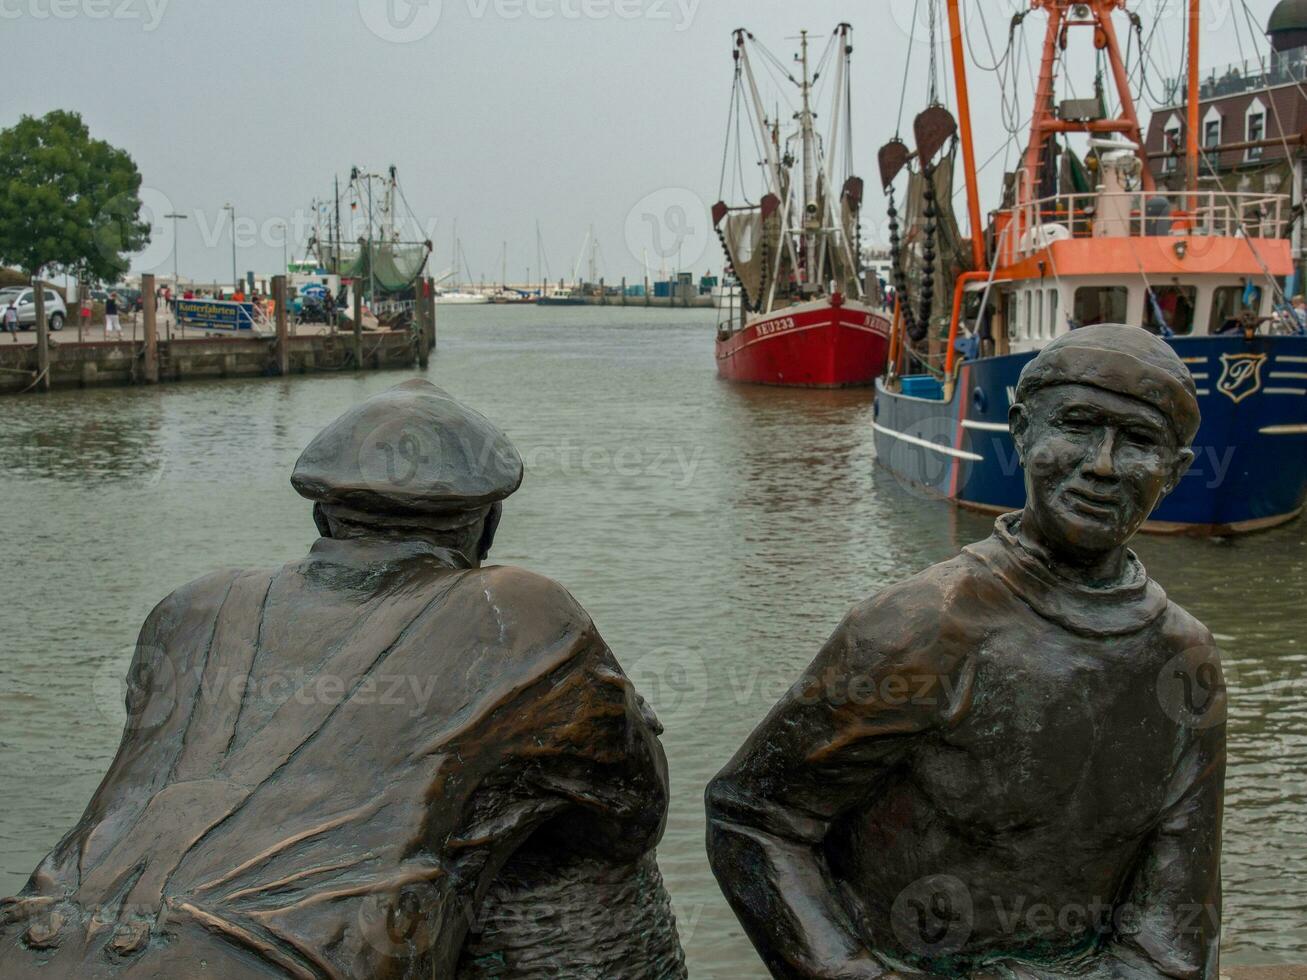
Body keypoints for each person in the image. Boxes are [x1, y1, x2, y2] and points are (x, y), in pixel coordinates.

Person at [0, 380, 686, 980]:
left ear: (323, 516)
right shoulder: (518, 611)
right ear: (487, 526)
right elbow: (632, 815)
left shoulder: (193, 605)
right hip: (276, 960)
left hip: (32, 937)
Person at [707, 324, 1223, 979]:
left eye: (1139, 440)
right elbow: (754, 819)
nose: (1100, 463)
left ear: (1173, 472)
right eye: (1077, 424)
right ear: (1021, 430)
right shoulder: (923, 626)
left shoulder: (1185, 659)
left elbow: (1179, 931)